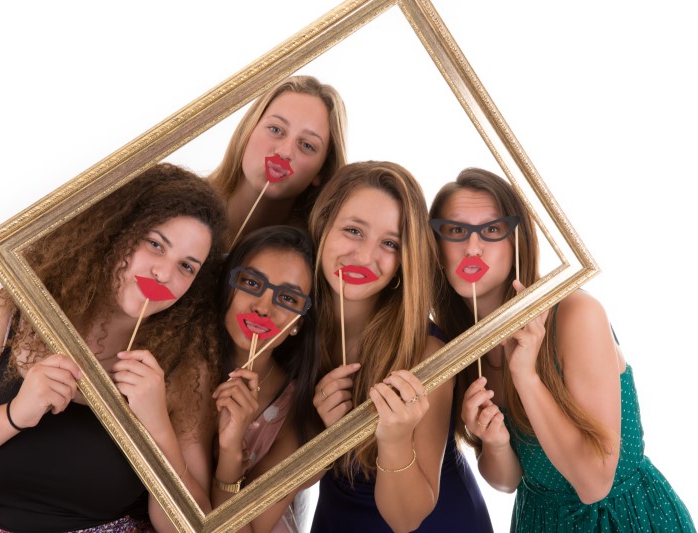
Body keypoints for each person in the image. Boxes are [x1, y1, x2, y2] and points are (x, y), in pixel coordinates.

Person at [0, 163, 229, 532]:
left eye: (186, 266)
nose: (164, 274)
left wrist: (157, 429)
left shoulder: (185, 369)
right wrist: (15, 414)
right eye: (155, 245)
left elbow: (190, 527)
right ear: (117, 231)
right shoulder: (7, 319)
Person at [429, 167, 696, 531]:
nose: (472, 247)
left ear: (518, 240)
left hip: (623, 519)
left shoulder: (575, 314)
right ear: (435, 246)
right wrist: (495, 443)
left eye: (492, 230)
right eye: (455, 231)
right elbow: (508, 482)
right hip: (539, 520)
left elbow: (595, 484)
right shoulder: (460, 344)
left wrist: (526, 376)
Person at [308, 161, 493, 533]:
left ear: (404, 261)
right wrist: (319, 436)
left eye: (389, 243)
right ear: (322, 225)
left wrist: (394, 440)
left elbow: (406, 518)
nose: (365, 257)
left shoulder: (426, 354)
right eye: (353, 230)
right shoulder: (292, 327)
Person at [210, 225, 321, 532]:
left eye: (288, 298)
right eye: (250, 282)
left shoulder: (299, 412)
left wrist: (231, 451)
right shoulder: (183, 366)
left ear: (299, 324)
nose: (262, 307)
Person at [208, 75, 348, 243]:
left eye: (307, 145)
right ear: (248, 130)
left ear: (322, 171)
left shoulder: (313, 253)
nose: (285, 152)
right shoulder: (183, 208)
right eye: (275, 129)